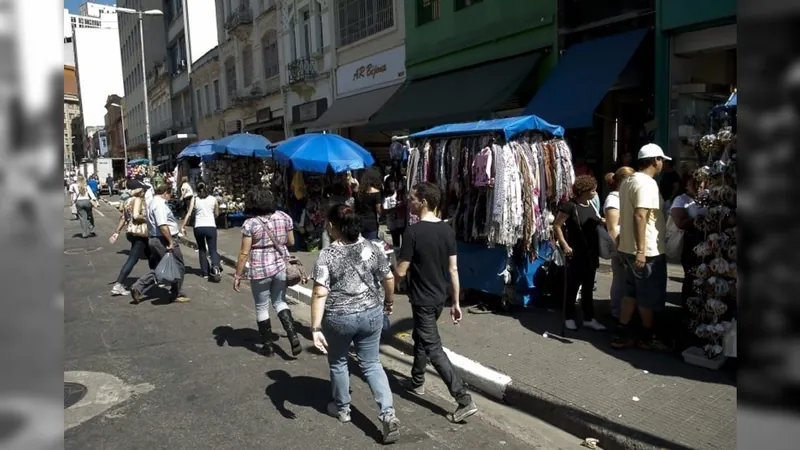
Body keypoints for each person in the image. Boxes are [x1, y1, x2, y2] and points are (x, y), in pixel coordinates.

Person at [309, 203, 400, 443]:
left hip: (339, 319)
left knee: (339, 362)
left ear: (332, 226)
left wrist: (315, 327)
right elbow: (388, 278)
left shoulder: (327, 254)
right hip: (371, 314)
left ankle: (343, 409)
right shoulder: (372, 247)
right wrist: (389, 303)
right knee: (371, 363)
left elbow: (319, 293)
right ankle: (388, 413)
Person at [395, 182, 478, 423]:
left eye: (412, 198)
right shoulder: (447, 231)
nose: (409, 201)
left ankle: (463, 399)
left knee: (433, 347)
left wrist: (387, 270)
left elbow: (401, 272)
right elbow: (453, 269)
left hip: (421, 299)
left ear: (423, 202)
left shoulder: (413, 232)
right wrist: (455, 301)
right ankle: (417, 381)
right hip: (438, 298)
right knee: (421, 338)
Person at [612, 144, 671, 350]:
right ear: (655, 160)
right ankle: (648, 336)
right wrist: (641, 251)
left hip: (629, 248)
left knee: (631, 292)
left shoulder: (628, 182)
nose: (662, 164)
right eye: (662, 160)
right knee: (648, 295)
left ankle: (622, 332)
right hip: (647, 251)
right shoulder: (647, 184)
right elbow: (640, 215)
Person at [233, 187, 302, 357]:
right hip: (280, 267)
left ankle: (268, 346)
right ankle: (293, 335)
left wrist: (237, 275)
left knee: (262, 307)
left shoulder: (250, 224)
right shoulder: (284, 217)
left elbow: (244, 253)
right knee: (279, 301)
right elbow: (291, 241)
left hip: (260, 270)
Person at [553, 175, 607, 331]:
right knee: (573, 286)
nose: (595, 192)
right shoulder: (570, 206)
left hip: (591, 252)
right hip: (576, 252)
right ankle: (569, 316)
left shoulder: (591, 204)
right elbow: (557, 225)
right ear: (584, 191)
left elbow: (596, 220)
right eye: (593, 190)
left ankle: (589, 318)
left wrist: (603, 221)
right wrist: (564, 245)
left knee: (589, 286)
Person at [130, 183, 190, 304]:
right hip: (162, 239)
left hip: (155, 239)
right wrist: (171, 241)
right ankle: (176, 293)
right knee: (178, 266)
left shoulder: (152, 203)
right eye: (170, 195)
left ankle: (138, 287)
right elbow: (163, 225)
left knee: (161, 267)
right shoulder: (160, 205)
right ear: (165, 193)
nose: (170, 197)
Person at [603, 167, 635, 320]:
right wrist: (619, 249)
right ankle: (616, 311)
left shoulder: (626, 197)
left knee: (627, 280)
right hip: (621, 245)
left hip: (630, 244)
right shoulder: (613, 199)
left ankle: (625, 310)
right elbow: (612, 227)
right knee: (620, 279)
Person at [108, 188, 153, 296]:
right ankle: (118, 284)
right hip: (139, 233)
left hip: (131, 233)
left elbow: (123, 218)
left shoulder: (128, 200)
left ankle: (156, 276)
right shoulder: (137, 200)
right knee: (132, 259)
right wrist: (148, 218)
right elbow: (136, 216)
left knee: (151, 254)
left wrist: (117, 232)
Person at [670, 173, 705, 306]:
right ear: (686, 185)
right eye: (694, 183)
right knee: (691, 276)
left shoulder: (707, 197)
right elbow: (680, 222)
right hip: (691, 242)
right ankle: (688, 307)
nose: (698, 186)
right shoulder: (681, 200)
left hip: (707, 241)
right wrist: (699, 220)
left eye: (700, 183)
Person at [181, 182, 222, 282]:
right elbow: (217, 213)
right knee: (212, 249)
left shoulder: (194, 199)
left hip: (198, 227)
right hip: (211, 226)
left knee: (202, 249)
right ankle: (215, 266)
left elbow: (189, 213)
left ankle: (205, 273)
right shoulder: (213, 199)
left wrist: (183, 226)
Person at [354, 168, 383, 240]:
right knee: (371, 246)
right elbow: (378, 210)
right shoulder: (376, 192)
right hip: (371, 223)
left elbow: (355, 207)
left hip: (358, 222)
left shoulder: (357, 191)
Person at [321, 181, 350, 249]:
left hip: (328, 224)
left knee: (326, 247)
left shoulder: (328, 200)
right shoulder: (344, 200)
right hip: (339, 226)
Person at [383, 169, 407, 248]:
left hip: (401, 221)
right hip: (392, 222)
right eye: (391, 183)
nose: (393, 185)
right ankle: (397, 255)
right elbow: (384, 210)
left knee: (405, 240)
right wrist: (395, 208)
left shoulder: (400, 194)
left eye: (394, 183)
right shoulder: (385, 196)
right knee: (395, 240)